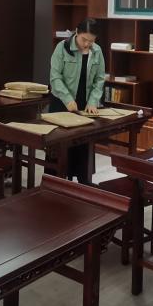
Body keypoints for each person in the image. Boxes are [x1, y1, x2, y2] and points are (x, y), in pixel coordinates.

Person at [48, 18, 106, 184]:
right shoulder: (62, 48)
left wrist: (93, 101)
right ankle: (54, 184)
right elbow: (55, 77)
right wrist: (67, 99)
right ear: (76, 32)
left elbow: (100, 79)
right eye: (84, 39)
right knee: (58, 146)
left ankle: (82, 184)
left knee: (82, 145)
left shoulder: (97, 51)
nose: (87, 44)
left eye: (91, 41)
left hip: (84, 105)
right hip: (61, 103)